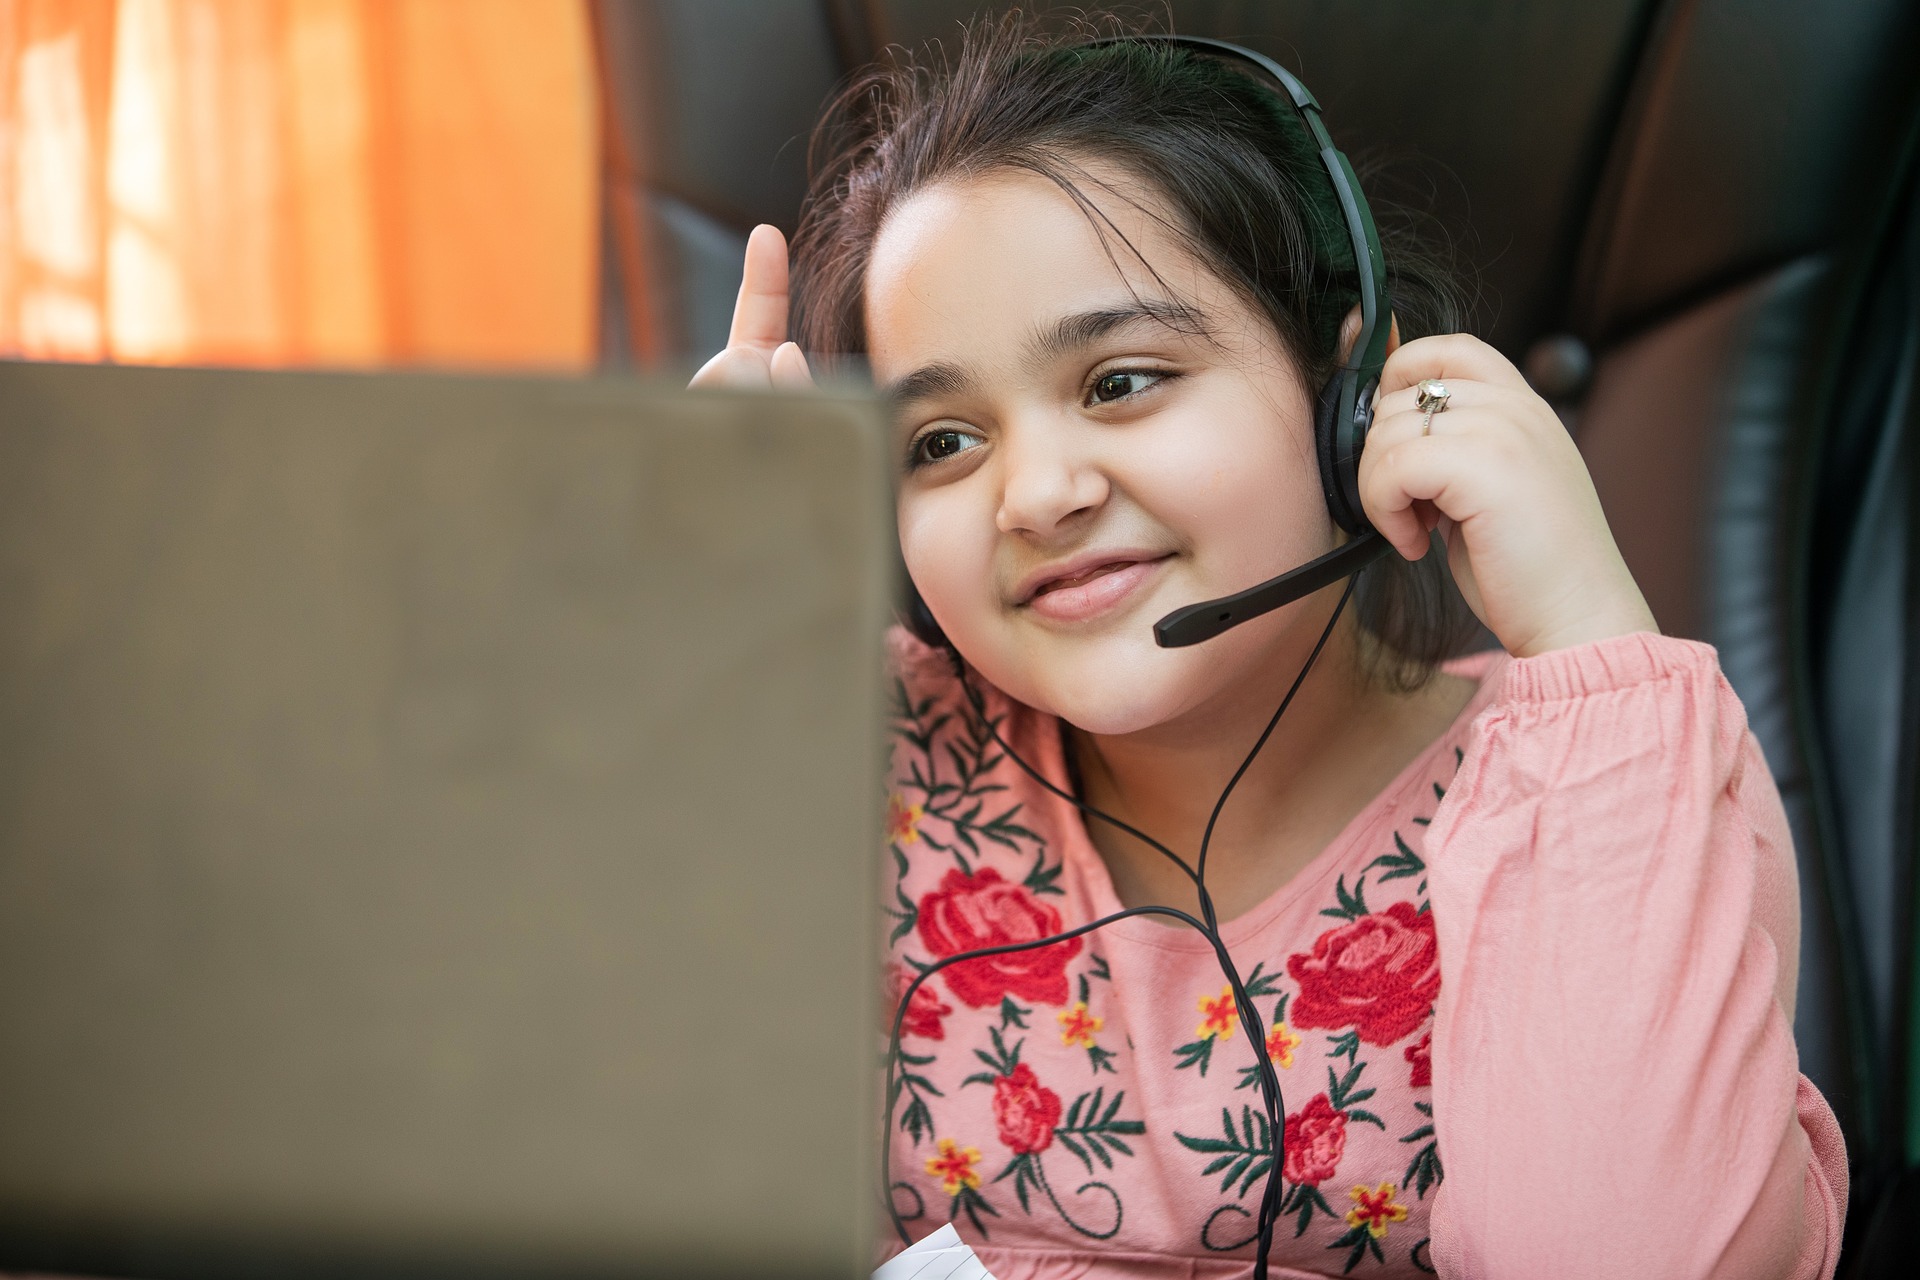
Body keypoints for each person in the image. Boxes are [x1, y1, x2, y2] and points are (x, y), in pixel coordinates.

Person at [692, 16, 1847, 1279]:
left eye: (1122, 380)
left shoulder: (1608, 784)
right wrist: (696, 666)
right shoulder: (852, 753)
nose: (1036, 495)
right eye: (942, 443)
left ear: (1351, 400)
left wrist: (1583, 629)